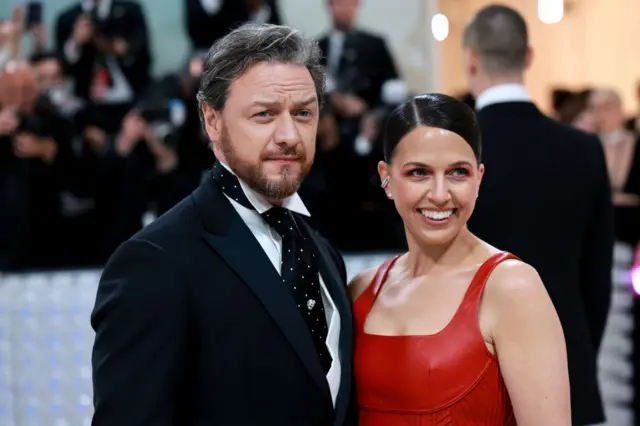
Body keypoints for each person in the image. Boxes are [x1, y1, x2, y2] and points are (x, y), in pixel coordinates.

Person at [90, 23, 354, 426]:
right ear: (212, 122)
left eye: (303, 113)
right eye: (264, 114)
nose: (288, 135)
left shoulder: (323, 253)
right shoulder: (154, 262)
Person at [349, 93, 571, 425]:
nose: (440, 195)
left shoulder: (512, 288)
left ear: (479, 177)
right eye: (419, 173)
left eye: (457, 173)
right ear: (386, 177)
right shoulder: (362, 290)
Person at [461, 6, 613, 425]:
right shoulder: (583, 149)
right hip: (571, 376)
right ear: (528, 56)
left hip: (475, 380)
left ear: (470, 59)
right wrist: (577, 355)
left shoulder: (456, 151)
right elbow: (597, 280)